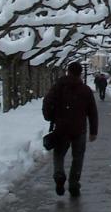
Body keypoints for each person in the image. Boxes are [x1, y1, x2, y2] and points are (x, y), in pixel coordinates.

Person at [42, 62, 98, 198]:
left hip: (61, 128)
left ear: (68, 71)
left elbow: (48, 102)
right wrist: (93, 131)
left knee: (59, 154)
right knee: (78, 157)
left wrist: (49, 117)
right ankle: (74, 183)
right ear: (80, 73)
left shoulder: (59, 87)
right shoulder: (85, 90)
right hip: (79, 129)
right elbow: (92, 111)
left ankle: (59, 174)